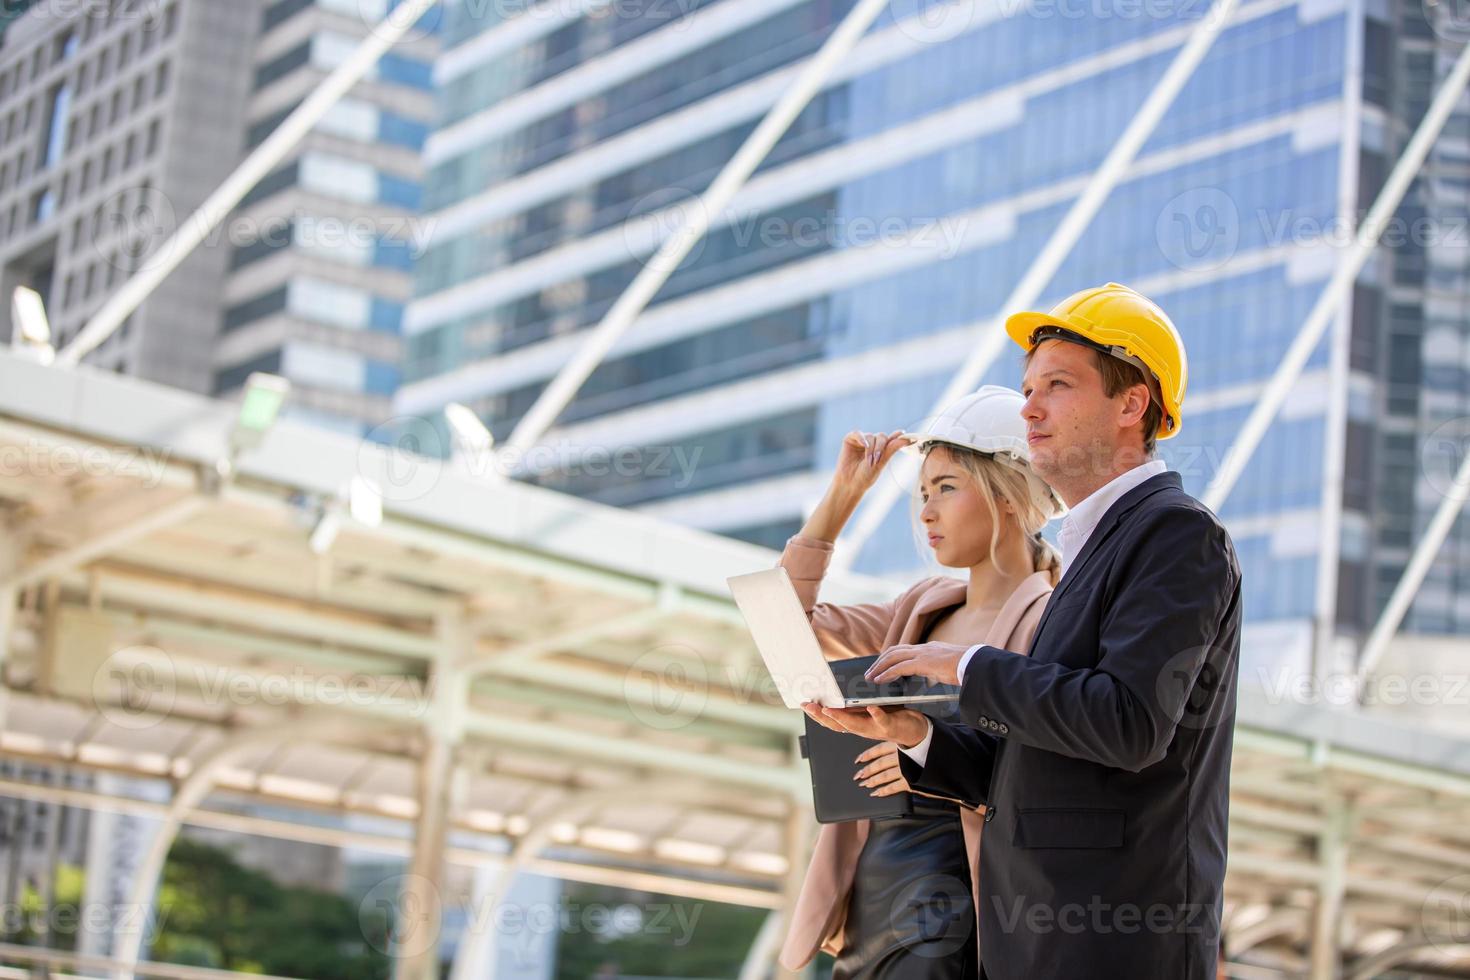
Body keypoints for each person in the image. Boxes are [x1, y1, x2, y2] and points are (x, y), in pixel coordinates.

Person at [809, 283, 1242, 979]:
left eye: (1057, 386)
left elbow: (1128, 724)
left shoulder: (1174, 532)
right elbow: (1042, 761)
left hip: (1109, 945)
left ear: (1132, 406)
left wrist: (969, 666)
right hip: (1038, 946)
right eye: (1028, 387)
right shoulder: (1095, 548)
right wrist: (916, 737)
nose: (1030, 408)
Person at [777, 386, 1064, 979]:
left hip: (961, 904)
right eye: (924, 493)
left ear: (1009, 496)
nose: (927, 511)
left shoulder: (1057, 620)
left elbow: (1047, 775)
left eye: (948, 488)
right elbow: (782, 627)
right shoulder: (919, 609)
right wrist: (843, 496)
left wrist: (920, 740)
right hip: (871, 895)